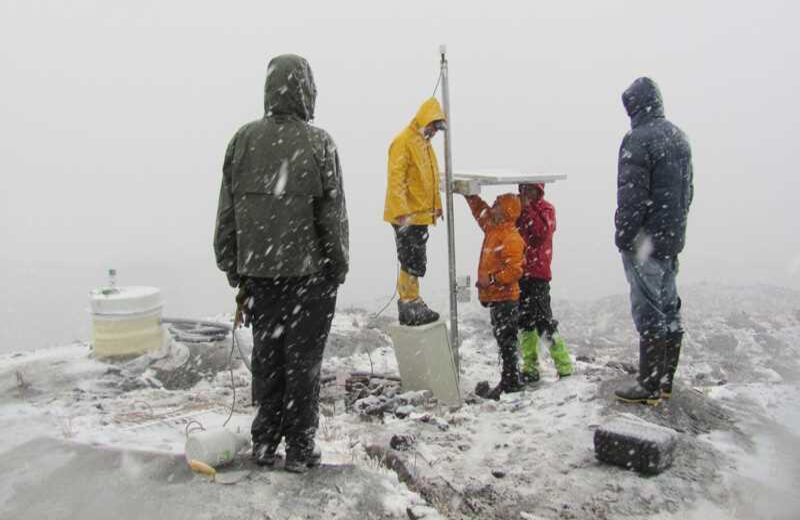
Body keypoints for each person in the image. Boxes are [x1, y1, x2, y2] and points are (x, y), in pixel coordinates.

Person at [213, 54, 349, 472]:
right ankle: (301, 446)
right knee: (302, 362)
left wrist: (235, 268)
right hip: (308, 276)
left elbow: (227, 213)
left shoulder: (242, 140)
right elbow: (333, 214)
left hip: (259, 276)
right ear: (305, 90)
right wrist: (336, 267)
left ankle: (266, 442)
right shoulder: (319, 142)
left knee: (268, 358)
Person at [613, 77, 693, 405]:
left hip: (644, 243)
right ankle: (665, 380)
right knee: (669, 306)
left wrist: (625, 236)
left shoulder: (637, 140)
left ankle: (648, 384)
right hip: (671, 238)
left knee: (648, 310)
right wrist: (674, 227)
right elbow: (687, 192)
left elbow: (631, 197)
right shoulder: (679, 138)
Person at [383, 98, 447, 326]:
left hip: (419, 214)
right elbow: (396, 179)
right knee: (410, 259)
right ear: (425, 120)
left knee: (417, 260)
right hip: (407, 215)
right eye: (433, 126)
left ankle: (414, 300)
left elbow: (430, 178)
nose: (434, 132)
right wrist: (401, 211)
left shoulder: (424, 145)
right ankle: (408, 303)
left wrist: (436, 206)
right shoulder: (404, 142)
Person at [464, 193, 526, 400]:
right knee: (504, 339)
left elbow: (515, 271)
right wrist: (470, 195)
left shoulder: (510, 237)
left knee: (506, 340)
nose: (492, 206)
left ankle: (511, 382)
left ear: (507, 210)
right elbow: (480, 213)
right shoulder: (494, 228)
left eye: (497, 204)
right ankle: (510, 379)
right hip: (498, 298)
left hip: (506, 298)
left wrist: (490, 280)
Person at [516, 183, 573, 382]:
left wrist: (528, 208)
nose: (526, 194)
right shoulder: (518, 208)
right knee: (525, 321)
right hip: (520, 273)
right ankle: (530, 367)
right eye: (523, 190)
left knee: (543, 320)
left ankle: (564, 365)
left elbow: (540, 235)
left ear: (539, 191)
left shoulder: (546, 209)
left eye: (530, 190)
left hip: (538, 273)